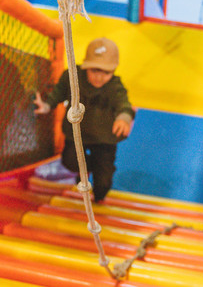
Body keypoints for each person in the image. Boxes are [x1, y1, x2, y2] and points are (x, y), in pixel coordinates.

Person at [34, 37, 134, 203]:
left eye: (106, 73)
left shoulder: (115, 86)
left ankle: (100, 183)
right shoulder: (72, 77)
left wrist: (124, 118)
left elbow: (124, 105)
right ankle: (90, 168)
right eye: (94, 70)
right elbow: (57, 94)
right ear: (86, 65)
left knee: (103, 185)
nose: (99, 77)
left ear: (113, 71)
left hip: (104, 139)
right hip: (77, 134)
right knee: (69, 161)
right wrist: (46, 106)